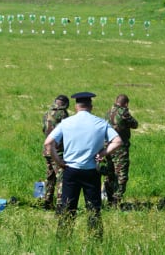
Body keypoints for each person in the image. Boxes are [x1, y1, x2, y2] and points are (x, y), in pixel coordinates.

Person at [44, 92, 122, 239]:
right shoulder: (100, 123)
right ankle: (95, 238)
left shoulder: (66, 122)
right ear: (91, 106)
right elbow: (117, 141)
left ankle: (63, 239)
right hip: (91, 170)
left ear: (76, 107)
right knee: (93, 208)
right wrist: (104, 153)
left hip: (71, 170)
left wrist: (59, 161)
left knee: (67, 207)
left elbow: (48, 142)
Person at [103, 94, 138, 207]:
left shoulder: (108, 112)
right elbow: (135, 124)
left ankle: (109, 200)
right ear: (126, 103)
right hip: (120, 148)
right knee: (122, 174)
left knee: (110, 174)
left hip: (108, 148)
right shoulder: (124, 113)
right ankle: (116, 201)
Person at [42, 95, 69, 212]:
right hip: (57, 150)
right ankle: (60, 204)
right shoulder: (63, 115)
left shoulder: (46, 113)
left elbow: (44, 129)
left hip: (46, 149)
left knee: (50, 176)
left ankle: (46, 201)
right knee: (61, 177)